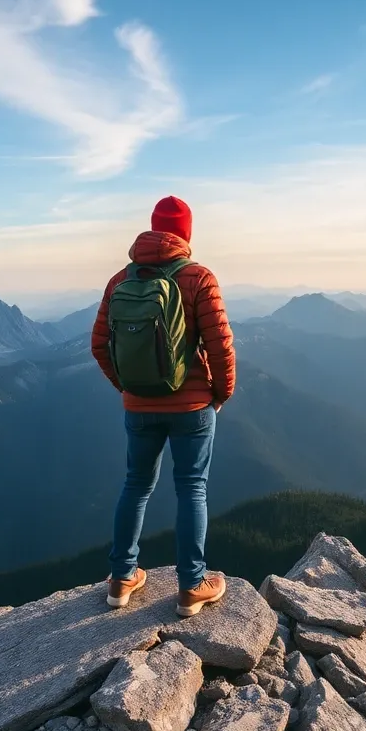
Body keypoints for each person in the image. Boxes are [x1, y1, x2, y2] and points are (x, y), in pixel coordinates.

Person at [90, 196, 236, 617]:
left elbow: (100, 344)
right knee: (192, 487)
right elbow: (220, 345)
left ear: (153, 229)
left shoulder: (120, 279)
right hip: (192, 408)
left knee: (136, 485)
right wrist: (220, 393)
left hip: (138, 405)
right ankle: (192, 585)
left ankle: (121, 578)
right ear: (185, 233)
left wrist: (128, 387)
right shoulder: (198, 278)